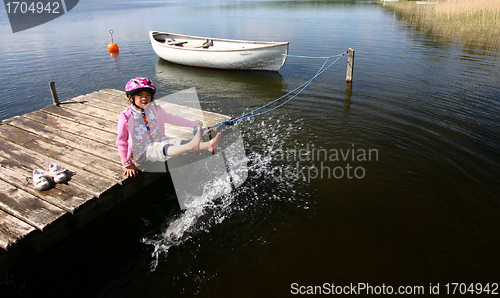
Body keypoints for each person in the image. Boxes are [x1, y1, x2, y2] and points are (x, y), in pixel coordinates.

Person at [116, 77, 221, 177]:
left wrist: (193, 123)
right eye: (139, 95)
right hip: (142, 151)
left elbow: (173, 119)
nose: (144, 98)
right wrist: (127, 163)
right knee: (161, 148)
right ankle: (190, 147)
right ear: (131, 97)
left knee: (178, 141)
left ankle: (208, 145)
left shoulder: (155, 110)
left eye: (148, 95)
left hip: (160, 140)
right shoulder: (126, 116)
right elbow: (121, 142)